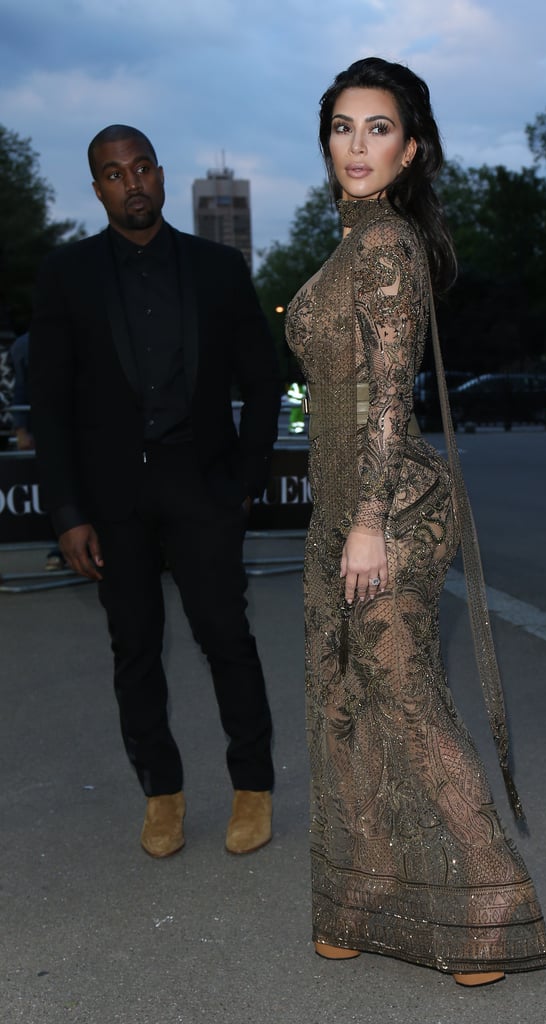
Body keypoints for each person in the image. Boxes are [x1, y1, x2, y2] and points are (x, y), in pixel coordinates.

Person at [285, 58, 546, 985]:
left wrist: (366, 524)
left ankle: (487, 912)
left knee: (405, 705)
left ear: (411, 149)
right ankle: (359, 901)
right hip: (339, 511)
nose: (357, 146)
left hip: (382, 513)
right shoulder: (345, 245)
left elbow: (389, 400)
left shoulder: (388, 245)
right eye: (342, 127)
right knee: (342, 708)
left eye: (378, 129)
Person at [30, 125, 281, 859]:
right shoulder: (65, 275)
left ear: (161, 176)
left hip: (202, 486)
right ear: (98, 187)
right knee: (133, 648)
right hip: (114, 499)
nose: (131, 182)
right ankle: (161, 796)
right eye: (113, 173)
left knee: (226, 639)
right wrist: (69, 512)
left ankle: (252, 787)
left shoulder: (218, 267)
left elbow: (262, 381)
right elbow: (48, 405)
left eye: (141, 167)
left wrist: (245, 477)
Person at [9, 332, 66, 570]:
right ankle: (60, 548)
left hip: (79, 428)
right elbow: (20, 387)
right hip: (48, 431)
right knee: (56, 491)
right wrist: (21, 429)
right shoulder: (24, 345)